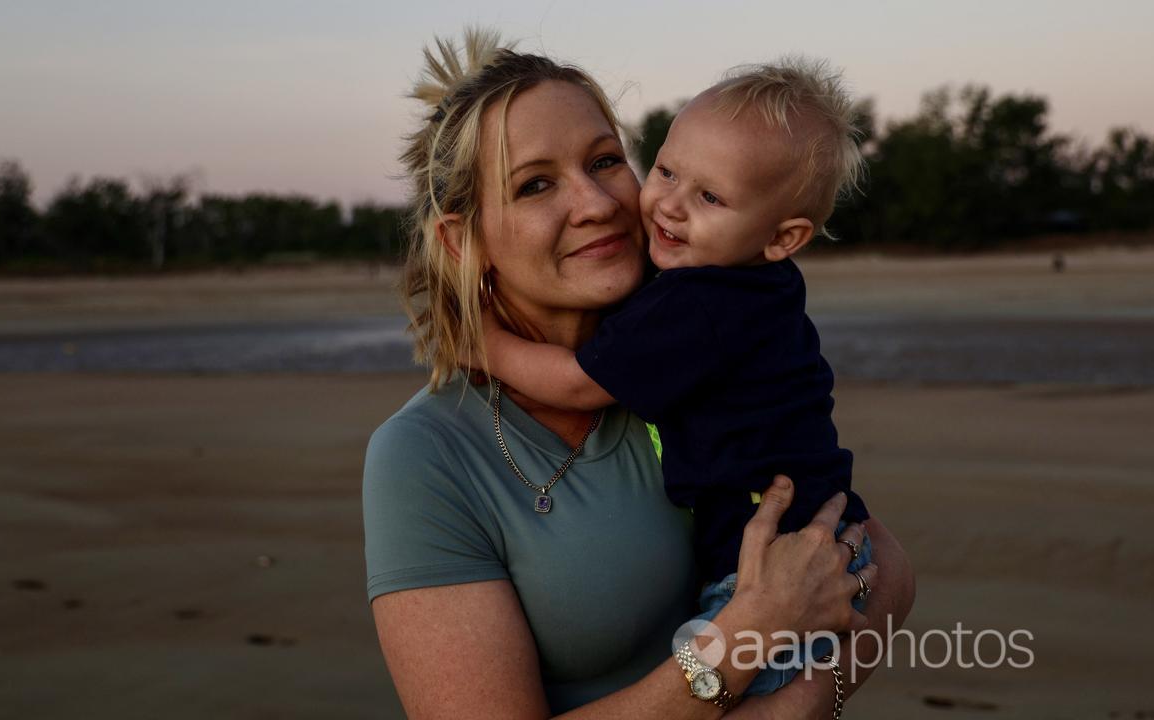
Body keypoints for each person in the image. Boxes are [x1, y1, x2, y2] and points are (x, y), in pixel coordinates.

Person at [363, 28, 915, 718]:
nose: (596, 203)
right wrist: (753, 642)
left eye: (604, 160)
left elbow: (874, 557)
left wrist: (811, 677)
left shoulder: (683, 365)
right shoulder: (426, 456)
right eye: (535, 184)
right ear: (462, 240)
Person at [477, 58, 871, 697]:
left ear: (782, 237)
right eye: (665, 171)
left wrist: (478, 341)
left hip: (772, 559)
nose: (669, 206)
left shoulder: (703, 302)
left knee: (721, 691)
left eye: (710, 197)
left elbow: (580, 383)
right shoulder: (751, 283)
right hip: (818, 537)